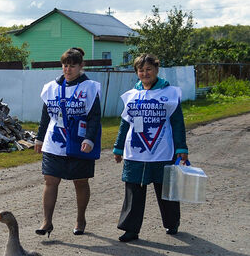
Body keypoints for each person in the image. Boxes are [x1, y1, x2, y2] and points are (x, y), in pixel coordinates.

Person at [113, 53, 188, 242]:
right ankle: (131, 229)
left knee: (166, 189)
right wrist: (118, 147)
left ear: (156, 70)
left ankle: (172, 222)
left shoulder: (170, 93)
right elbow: (125, 123)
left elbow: (178, 122)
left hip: (162, 150)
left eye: (148, 69)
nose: (145, 73)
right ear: (136, 72)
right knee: (133, 190)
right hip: (136, 152)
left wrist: (181, 148)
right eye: (141, 70)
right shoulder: (132, 95)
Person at [35, 47, 102, 237]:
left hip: (79, 141)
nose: (68, 70)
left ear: (81, 66)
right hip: (54, 141)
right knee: (50, 180)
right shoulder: (51, 88)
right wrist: (39, 138)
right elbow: (45, 115)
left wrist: (89, 138)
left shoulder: (89, 87)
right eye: (65, 65)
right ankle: (47, 221)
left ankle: (80, 219)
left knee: (80, 182)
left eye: (72, 66)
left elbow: (94, 116)